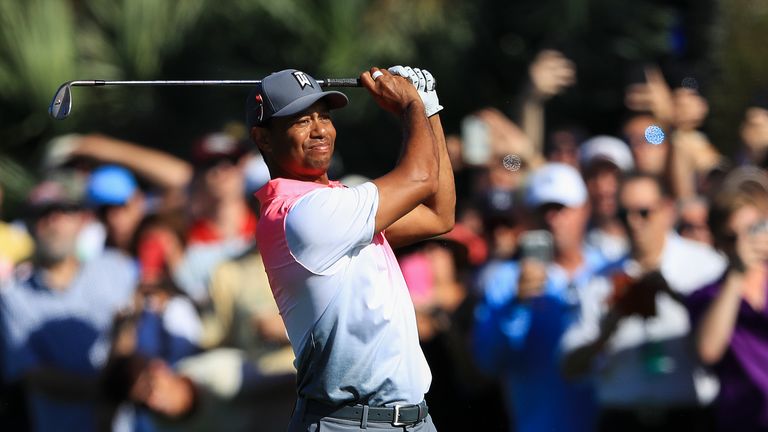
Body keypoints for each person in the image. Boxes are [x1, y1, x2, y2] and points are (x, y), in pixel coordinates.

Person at [247, 66, 454, 431]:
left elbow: (439, 215)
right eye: (300, 121)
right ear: (264, 139)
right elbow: (420, 177)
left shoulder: (336, 204)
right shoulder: (300, 216)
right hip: (350, 422)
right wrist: (411, 105)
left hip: (413, 419)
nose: (319, 131)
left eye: (323, 117)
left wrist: (429, 108)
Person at [561, 172, 727, 432]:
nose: (634, 223)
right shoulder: (600, 279)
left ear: (668, 210)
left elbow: (730, 347)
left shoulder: (706, 266)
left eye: (644, 212)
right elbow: (569, 367)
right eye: (624, 214)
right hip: (622, 418)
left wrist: (677, 298)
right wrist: (608, 330)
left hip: (689, 416)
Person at [0, 172, 137, 432]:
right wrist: (110, 389)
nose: (54, 220)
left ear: (81, 220)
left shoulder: (119, 269)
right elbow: (34, 376)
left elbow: (136, 342)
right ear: (28, 225)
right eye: (42, 214)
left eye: (64, 210)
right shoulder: (12, 297)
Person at [472, 162, 603, 432]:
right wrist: (516, 306)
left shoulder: (608, 270)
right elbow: (488, 362)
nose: (553, 219)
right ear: (528, 216)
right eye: (543, 210)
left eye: (561, 208)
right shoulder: (506, 280)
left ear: (584, 210)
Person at [686, 175, 768, 431]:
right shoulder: (707, 296)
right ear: (718, 242)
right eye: (732, 237)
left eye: (753, 230)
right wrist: (736, 276)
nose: (744, 245)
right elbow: (708, 350)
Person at [580, 135, 635, 260]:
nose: (603, 189)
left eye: (615, 177)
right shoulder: (572, 239)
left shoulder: (652, 229)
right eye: (593, 177)